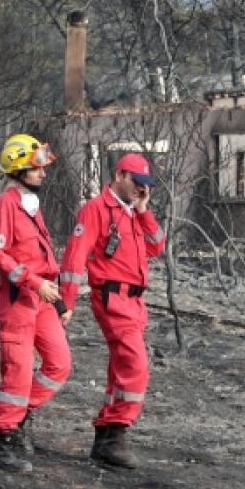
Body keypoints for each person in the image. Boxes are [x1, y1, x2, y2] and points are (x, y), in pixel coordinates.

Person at [59, 152, 165, 469]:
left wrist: (144, 211)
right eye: (137, 182)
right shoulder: (96, 210)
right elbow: (75, 258)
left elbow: (156, 245)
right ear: (119, 175)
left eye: (146, 184)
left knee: (122, 368)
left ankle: (105, 436)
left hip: (134, 302)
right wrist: (66, 302)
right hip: (113, 299)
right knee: (135, 367)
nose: (141, 189)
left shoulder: (132, 212)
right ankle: (116, 434)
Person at [0, 133, 72, 472]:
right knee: (18, 372)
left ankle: (18, 418)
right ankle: (2, 441)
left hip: (43, 301)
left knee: (59, 364)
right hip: (19, 300)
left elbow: (43, 255)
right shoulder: (7, 204)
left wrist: (59, 301)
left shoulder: (30, 206)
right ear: (19, 168)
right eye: (37, 168)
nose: (43, 174)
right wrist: (35, 282)